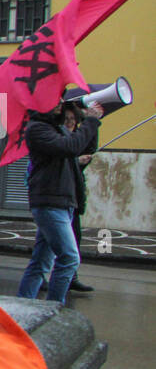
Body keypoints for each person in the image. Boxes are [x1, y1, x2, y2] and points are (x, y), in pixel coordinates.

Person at [15, 99, 101, 303]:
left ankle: (21, 303)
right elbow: (71, 147)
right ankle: (53, 306)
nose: (60, 103)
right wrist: (90, 122)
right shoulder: (37, 129)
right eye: (54, 99)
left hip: (61, 202)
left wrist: (92, 121)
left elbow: (85, 145)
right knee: (69, 258)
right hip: (50, 203)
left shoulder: (56, 129)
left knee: (41, 262)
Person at [66, 104, 100, 293]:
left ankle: (71, 276)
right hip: (57, 201)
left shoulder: (74, 140)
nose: (71, 123)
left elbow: (89, 146)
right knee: (53, 246)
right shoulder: (57, 139)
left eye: (74, 120)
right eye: (67, 119)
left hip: (73, 199)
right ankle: (45, 278)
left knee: (74, 240)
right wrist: (75, 161)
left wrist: (92, 123)